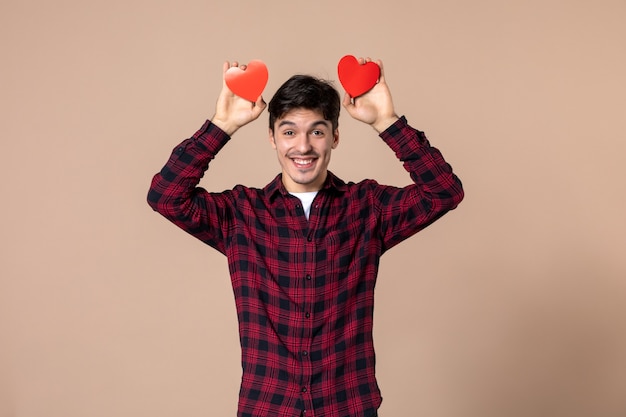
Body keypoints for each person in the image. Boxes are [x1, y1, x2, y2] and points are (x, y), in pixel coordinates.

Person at [148, 58, 464, 417]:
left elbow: (444, 192)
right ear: (272, 138)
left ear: (334, 137)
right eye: (288, 131)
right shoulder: (240, 214)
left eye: (316, 131)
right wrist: (222, 125)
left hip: (348, 406)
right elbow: (165, 197)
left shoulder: (367, 207)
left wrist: (385, 122)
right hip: (268, 407)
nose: (303, 146)